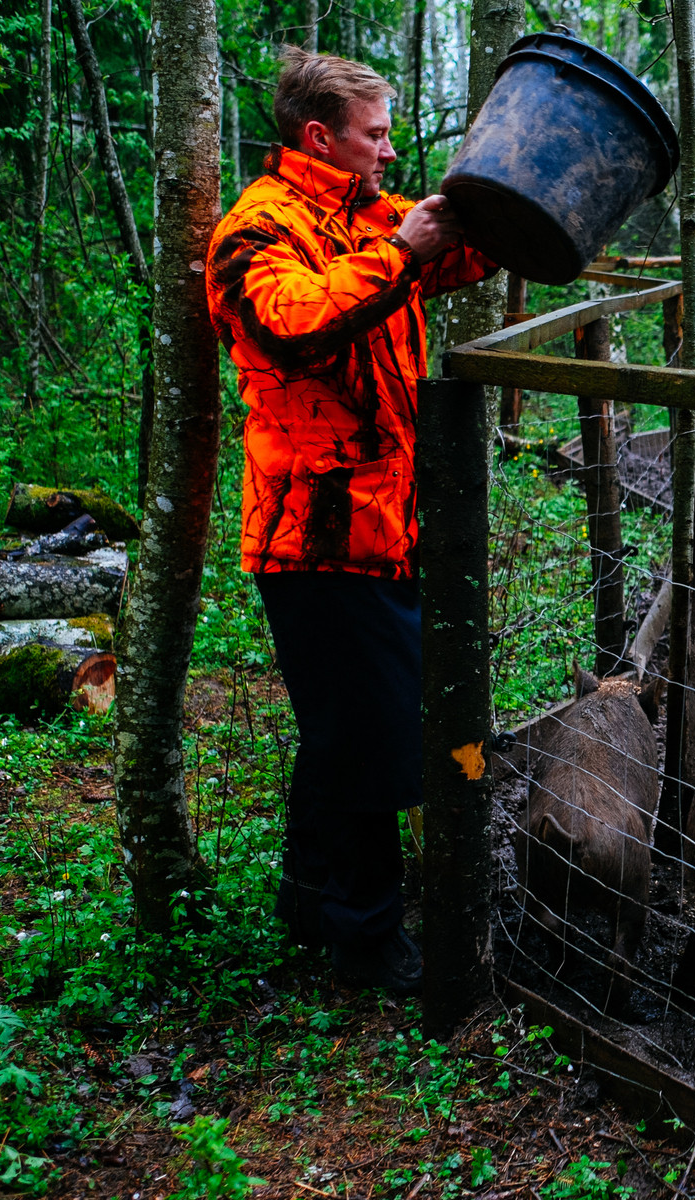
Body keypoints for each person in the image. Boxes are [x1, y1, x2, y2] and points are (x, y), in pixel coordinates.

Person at [206, 46, 497, 992]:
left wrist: (510, 205)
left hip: (384, 519)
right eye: (375, 133)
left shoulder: (363, 214)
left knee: (341, 725)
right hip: (313, 532)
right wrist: (403, 250)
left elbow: (453, 255)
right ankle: (367, 942)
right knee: (373, 736)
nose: (387, 148)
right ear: (320, 135)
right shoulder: (256, 230)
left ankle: (309, 896)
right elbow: (292, 323)